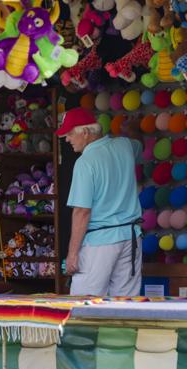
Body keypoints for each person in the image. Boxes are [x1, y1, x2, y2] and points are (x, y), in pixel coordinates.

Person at [57, 107, 144, 297]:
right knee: (125, 303)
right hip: (131, 238)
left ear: (86, 132)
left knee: (84, 304)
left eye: (70, 134)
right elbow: (140, 145)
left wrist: (72, 253)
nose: (67, 139)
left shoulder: (85, 162)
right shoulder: (124, 145)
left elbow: (82, 211)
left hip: (100, 242)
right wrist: (132, 127)